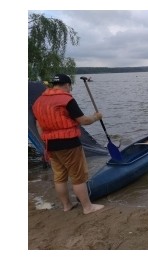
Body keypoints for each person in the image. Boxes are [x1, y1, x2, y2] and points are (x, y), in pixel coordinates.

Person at [32, 73, 104, 215]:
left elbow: (38, 125)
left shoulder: (38, 101)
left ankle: (66, 206)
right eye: (70, 86)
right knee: (78, 176)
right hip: (69, 144)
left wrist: (46, 141)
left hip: (51, 145)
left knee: (59, 177)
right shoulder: (66, 99)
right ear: (67, 85)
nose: (70, 89)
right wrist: (96, 117)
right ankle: (87, 207)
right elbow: (84, 121)